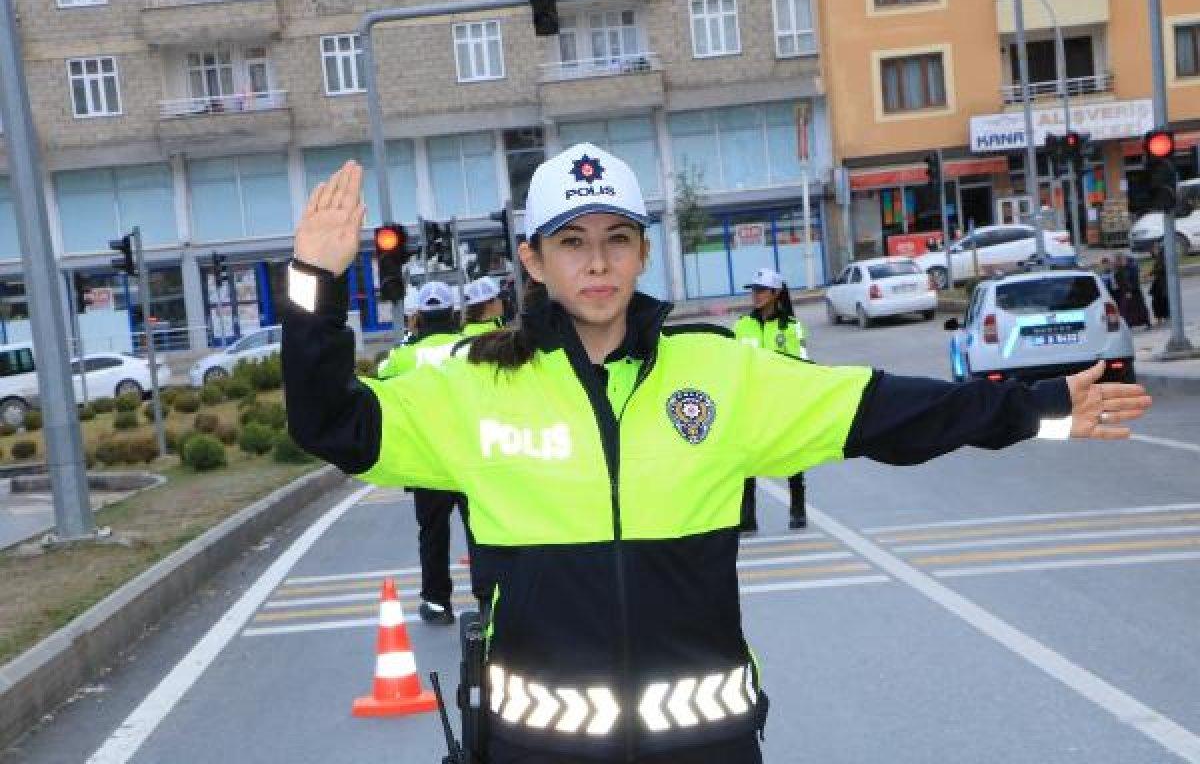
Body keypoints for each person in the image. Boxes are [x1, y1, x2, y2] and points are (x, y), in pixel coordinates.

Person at [283, 145, 1150, 764]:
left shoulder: (718, 372)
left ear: (642, 252)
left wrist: (1037, 408)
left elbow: (881, 410)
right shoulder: (475, 387)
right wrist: (314, 281)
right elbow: (332, 424)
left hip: (706, 744)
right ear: (533, 260)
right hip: (536, 748)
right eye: (572, 242)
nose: (597, 263)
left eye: (615, 239)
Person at [374, 280, 473, 626]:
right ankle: (490, 597)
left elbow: (381, 383)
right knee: (482, 531)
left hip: (428, 461)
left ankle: (437, 603)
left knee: (432, 533)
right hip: (472, 460)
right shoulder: (470, 347)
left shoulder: (404, 356)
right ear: (453, 314)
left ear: (418, 317)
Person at [734, 268, 809, 531]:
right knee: (747, 459)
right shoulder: (743, 325)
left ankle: (798, 510)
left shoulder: (791, 326)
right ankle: (747, 517)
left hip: (783, 401)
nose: (755, 295)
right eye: (753, 290)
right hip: (751, 401)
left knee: (793, 456)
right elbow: (734, 362)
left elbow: (801, 363)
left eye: (761, 290)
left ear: (776, 294)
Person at [1113, 252, 1152, 330]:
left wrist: (1129, 290)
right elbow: (1120, 279)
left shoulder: (1131, 267)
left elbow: (1133, 280)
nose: (1116, 262)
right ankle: (1129, 324)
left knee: (1138, 308)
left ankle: (1146, 323)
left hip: (1133, 292)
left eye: (1118, 260)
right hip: (1126, 291)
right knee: (1127, 309)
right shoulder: (1121, 268)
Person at [1149, 241, 1170, 326]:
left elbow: (1162, 268)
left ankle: (1164, 317)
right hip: (1158, 282)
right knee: (1157, 300)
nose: (1153, 250)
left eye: (1155, 248)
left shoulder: (1163, 257)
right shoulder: (1158, 257)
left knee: (1161, 300)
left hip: (1162, 283)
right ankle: (1160, 317)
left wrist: (1151, 272)